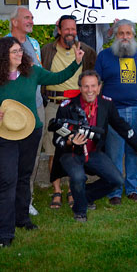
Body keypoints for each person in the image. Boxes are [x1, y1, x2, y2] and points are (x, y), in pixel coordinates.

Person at [0, 36, 83, 248]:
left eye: (20, 51)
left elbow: (58, 77)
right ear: (3, 55)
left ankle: (22, 219)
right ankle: (4, 233)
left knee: (24, 177)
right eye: (14, 52)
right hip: (4, 135)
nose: (19, 54)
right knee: (7, 180)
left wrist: (76, 62)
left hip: (31, 132)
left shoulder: (32, 72)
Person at [49, 71, 137, 221]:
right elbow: (57, 138)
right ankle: (80, 211)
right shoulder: (67, 106)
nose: (90, 90)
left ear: (99, 87)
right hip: (70, 153)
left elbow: (121, 126)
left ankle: (85, 196)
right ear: (80, 87)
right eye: (86, 86)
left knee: (117, 180)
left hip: (93, 152)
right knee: (78, 177)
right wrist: (71, 140)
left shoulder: (106, 103)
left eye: (93, 86)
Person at [0, 6, 45, 228]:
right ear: (14, 22)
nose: (31, 20)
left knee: (29, 162)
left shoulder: (35, 43)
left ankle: (24, 205)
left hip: (34, 108)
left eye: (31, 17)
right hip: (10, 114)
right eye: (27, 17)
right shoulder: (2, 44)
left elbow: (37, 73)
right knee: (6, 168)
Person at [40, 15, 97, 209]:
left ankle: (73, 189)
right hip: (54, 106)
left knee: (76, 148)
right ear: (59, 30)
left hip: (77, 108)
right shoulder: (46, 50)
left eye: (74, 29)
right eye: (67, 29)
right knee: (53, 149)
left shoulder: (86, 52)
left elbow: (93, 79)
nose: (71, 32)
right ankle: (56, 190)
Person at [96, 19, 137, 204]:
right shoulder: (104, 56)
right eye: (121, 33)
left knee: (135, 150)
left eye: (128, 33)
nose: (125, 37)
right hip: (114, 112)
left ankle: (132, 189)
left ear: (133, 35)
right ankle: (114, 192)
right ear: (115, 35)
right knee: (114, 152)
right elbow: (97, 84)